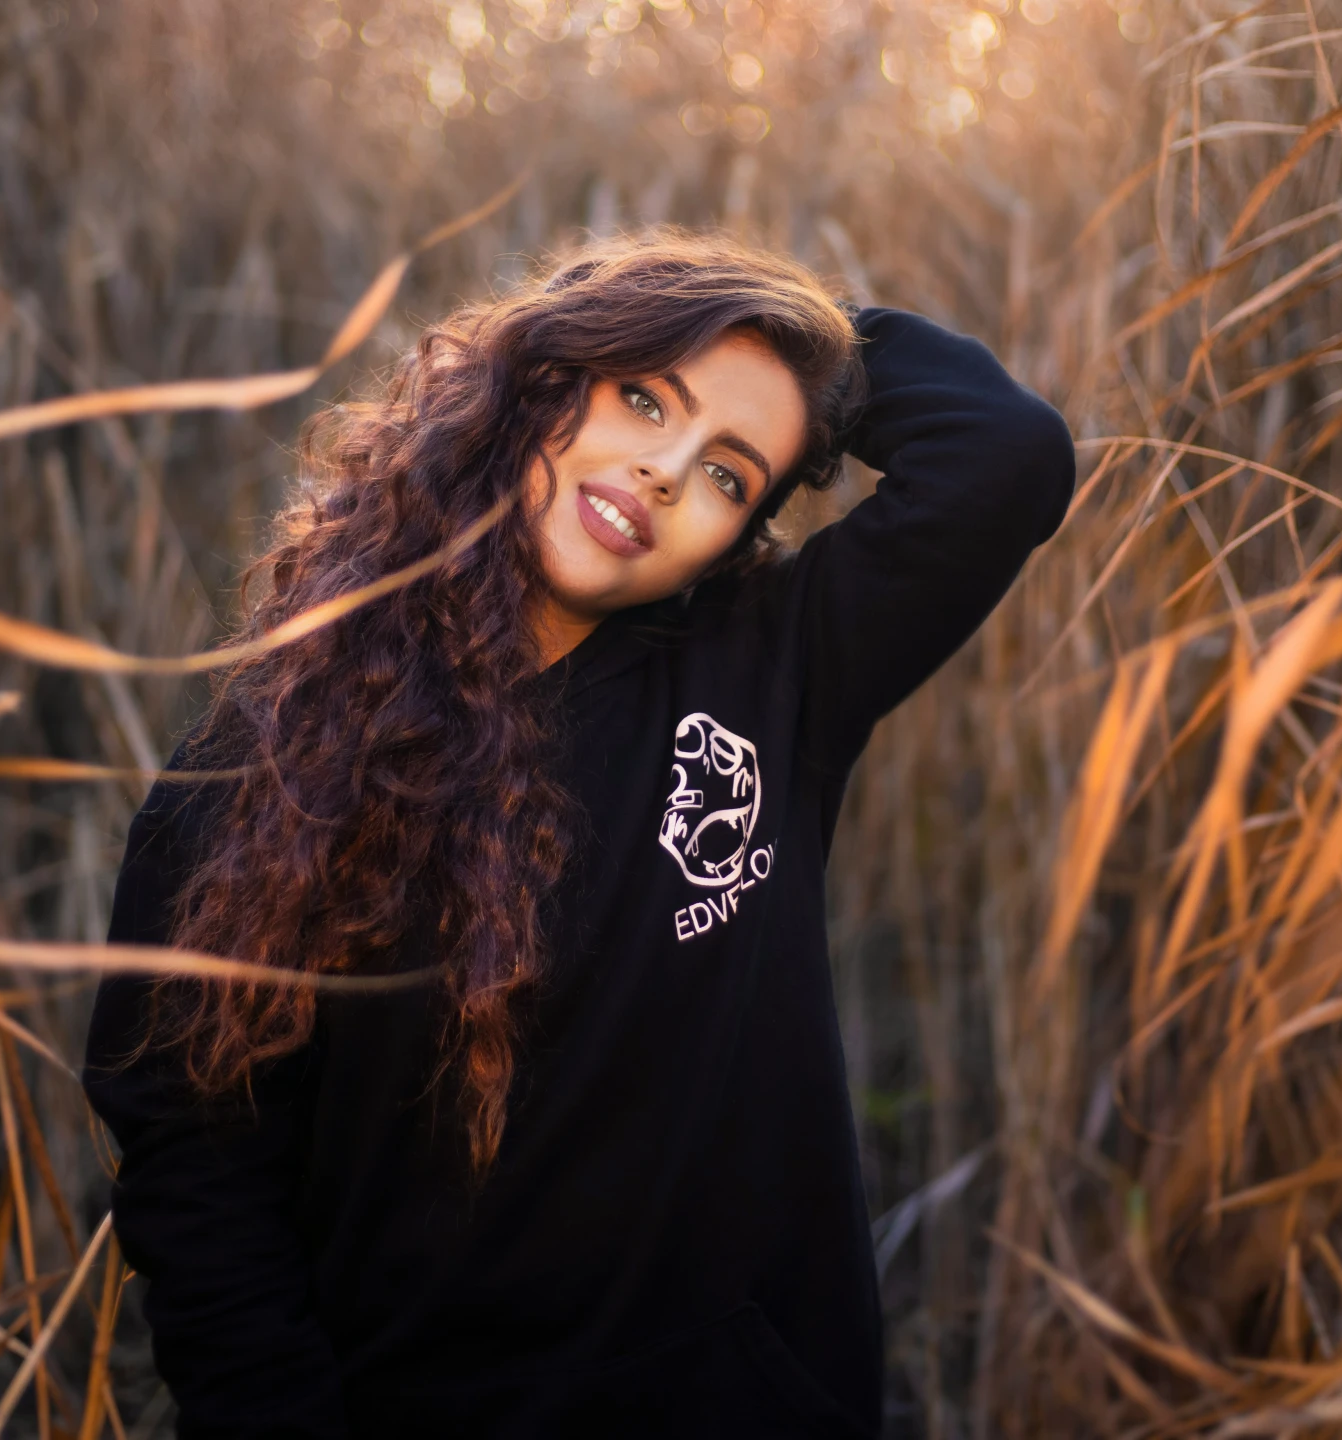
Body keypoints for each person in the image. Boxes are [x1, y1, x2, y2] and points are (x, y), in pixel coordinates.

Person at [82, 230, 1075, 1439]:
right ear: (541, 381)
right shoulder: (265, 770)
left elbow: (1007, 456)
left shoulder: (771, 674)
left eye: (727, 473)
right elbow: (197, 1174)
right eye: (644, 395)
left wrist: (799, 334)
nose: (664, 470)